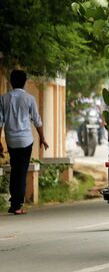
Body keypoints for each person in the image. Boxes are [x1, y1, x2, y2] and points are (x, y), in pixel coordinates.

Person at [0, 70, 48, 215]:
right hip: (26, 140)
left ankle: (14, 202)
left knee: (15, 170)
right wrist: (42, 138)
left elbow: (0, 121)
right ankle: (17, 205)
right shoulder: (29, 99)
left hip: (11, 140)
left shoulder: (3, 99)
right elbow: (37, 120)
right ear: (25, 82)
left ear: (11, 82)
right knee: (21, 171)